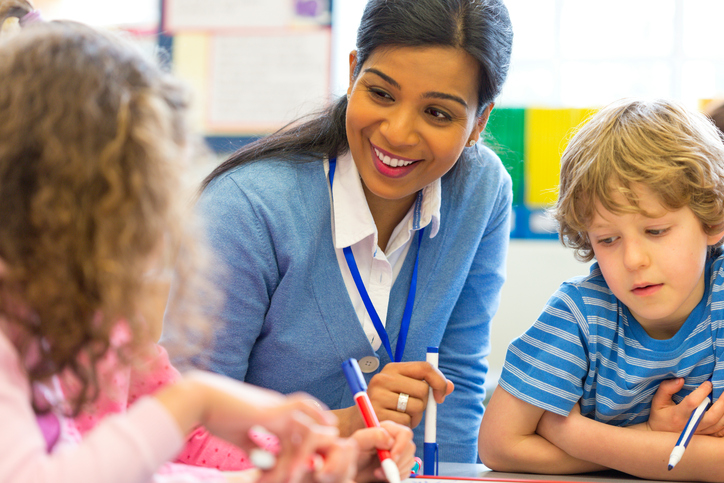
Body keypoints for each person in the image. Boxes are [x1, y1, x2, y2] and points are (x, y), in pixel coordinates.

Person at [0, 2, 415, 482]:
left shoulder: (99, 320)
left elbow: (179, 447)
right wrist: (194, 399)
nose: (153, 223)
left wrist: (306, 463)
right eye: (133, 191)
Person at [171, 0, 514, 464]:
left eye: (437, 113)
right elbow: (184, 429)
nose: (398, 133)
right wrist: (344, 425)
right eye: (381, 94)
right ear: (353, 73)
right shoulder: (247, 209)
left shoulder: (481, 191)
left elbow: (456, 380)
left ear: (479, 122)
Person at [479, 98, 724, 481]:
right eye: (608, 239)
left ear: (713, 220)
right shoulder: (579, 313)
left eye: (655, 231)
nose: (633, 260)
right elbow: (499, 444)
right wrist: (646, 439)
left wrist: (575, 435)